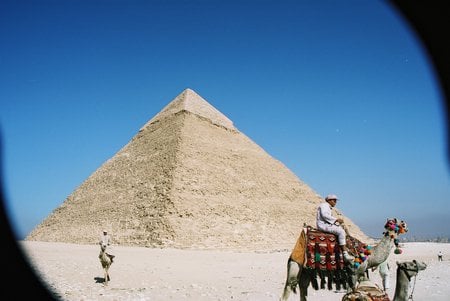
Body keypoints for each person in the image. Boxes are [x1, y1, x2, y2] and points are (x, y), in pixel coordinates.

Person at [316, 194, 354, 262]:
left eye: (335, 201)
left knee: (342, 228)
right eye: (334, 200)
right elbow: (325, 215)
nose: (335, 202)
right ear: (329, 200)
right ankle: (345, 254)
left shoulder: (328, 207)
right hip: (323, 225)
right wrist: (336, 219)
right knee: (341, 232)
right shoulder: (324, 205)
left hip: (326, 224)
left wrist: (336, 222)